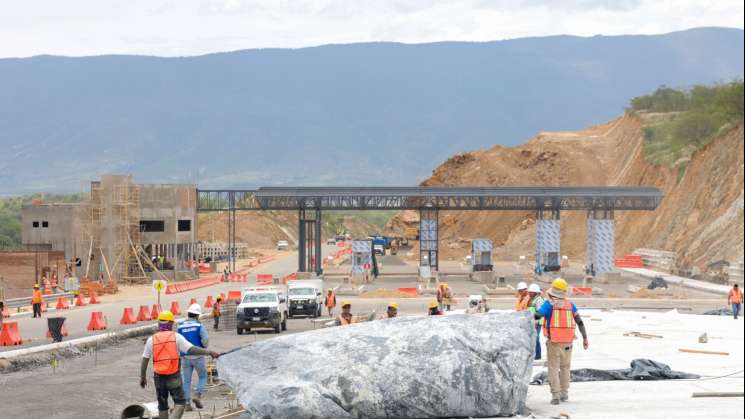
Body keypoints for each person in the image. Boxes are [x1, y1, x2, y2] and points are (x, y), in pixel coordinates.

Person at [140, 311, 220, 419]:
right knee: (181, 402)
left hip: (158, 377)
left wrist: (143, 377)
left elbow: (145, 359)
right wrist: (209, 352)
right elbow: (192, 349)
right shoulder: (176, 337)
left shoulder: (151, 339)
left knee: (162, 406)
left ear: (159, 324)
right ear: (171, 324)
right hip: (173, 376)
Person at [535, 278, 589, 405]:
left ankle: (556, 396)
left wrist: (528, 314)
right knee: (565, 368)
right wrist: (585, 338)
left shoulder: (548, 304)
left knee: (553, 368)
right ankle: (564, 393)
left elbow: (537, 316)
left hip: (554, 342)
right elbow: (580, 322)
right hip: (568, 343)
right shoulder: (571, 305)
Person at [177, 304, 209, 411]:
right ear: (197, 315)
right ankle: (197, 395)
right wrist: (204, 347)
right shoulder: (199, 326)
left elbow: (177, 341)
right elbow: (205, 340)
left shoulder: (180, 326)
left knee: (186, 381)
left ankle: (187, 404)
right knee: (203, 377)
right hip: (198, 356)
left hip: (185, 357)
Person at [527, 283, 545, 360]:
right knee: (532, 338)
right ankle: (534, 354)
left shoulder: (539, 300)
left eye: (531, 292)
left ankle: (537, 356)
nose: (529, 293)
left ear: (535, 292)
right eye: (529, 292)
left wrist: (536, 322)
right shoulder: (532, 299)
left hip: (537, 323)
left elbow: (539, 312)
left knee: (536, 338)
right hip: (532, 322)